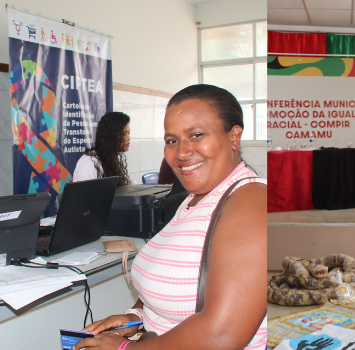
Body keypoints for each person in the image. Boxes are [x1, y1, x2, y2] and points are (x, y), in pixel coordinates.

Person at [76, 85, 268, 350]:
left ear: (234, 137)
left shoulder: (250, 201)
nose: (181, 152)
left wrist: (125, 349)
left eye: (196, 135)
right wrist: (135, 317)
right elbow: (178, 282)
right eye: (172, 140)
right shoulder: (194, 198)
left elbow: (222, 335)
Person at [74, 112, 132, 186]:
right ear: (111, 136)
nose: (128, 138)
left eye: (128, 133)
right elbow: (85, 196)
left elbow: (130, 188)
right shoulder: (89, 163)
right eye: (124, 134)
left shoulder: (116, 160)